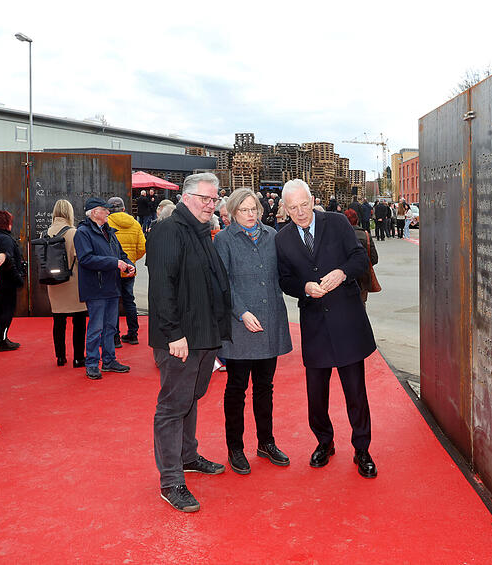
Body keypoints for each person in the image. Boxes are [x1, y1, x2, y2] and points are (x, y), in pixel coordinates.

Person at [275, 179, 378, 478]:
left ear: (312, 200)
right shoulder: (282, 240)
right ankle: (324, 442)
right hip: (315, 324)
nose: (300, 212)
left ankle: (362, 449)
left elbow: (360, 258)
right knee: (316, 395)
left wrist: (343, 272)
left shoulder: (336, 223)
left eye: (304, 205)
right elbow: (284, 279)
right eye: (293, 208)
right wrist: (304, 288)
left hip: (346, 320)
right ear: (285, 208)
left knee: (355, 392)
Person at [147, 172, 231, 512]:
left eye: (214, 200)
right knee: (172, 407)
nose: (210, 205)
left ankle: (187, 456)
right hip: (180, 339)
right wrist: (173, 335)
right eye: (205, 199)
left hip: (203, 337)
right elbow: (161, 289)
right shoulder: (169, 230)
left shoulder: (200, 232)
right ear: (186, 197)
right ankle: (171, 481)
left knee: (190, 399)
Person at [212, 188, 293, 475]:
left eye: (253, 209)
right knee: (236, 389)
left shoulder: (272, 235)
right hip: (239, 325)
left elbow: (285, 273)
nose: (250, 215)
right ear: (232, 213)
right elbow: (223, 284)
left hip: (269, 322)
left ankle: (265, 442)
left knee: (265, 388)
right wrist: (242, 312)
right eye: (244, 210)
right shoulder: (223, 240)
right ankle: (235, 447)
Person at [74, 197, 135, 380]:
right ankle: (92, 363)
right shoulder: (83, 233)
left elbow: (121, 254)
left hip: (111, 286)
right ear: (94, 213)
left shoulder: (110, 232)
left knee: (110, 327)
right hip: (96, 288)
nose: (109, 212)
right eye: (105, 210)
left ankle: (109, 360)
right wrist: (114, 263)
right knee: (96, 328)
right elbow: (85, 259)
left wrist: (129, 264)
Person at [46, 199, 88, 368]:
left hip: (54, 282)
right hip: (74, 282)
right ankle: (78, 358)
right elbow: (81, 258)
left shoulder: (46, 233)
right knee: (79, 322)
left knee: (58, 322)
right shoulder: (74, 233)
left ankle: (60, 357)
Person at [106, 196, 146, 347]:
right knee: (129, 301)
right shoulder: (135, 224)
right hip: (129, 269)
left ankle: (115, 337)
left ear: (108, 210)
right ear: (124, 209)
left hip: (112, 268)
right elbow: (142, 247)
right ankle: (133, 334)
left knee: (113, 302)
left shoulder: (106, 223)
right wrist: (132, 260)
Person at [0, 211, 25, 351]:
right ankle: (2, 340)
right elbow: (9, 262)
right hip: (7, 282)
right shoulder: (6, 239)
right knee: (7, 311)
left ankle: (2, 339)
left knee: (0, 310)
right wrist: (18, 279)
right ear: (8, 223)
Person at [343, 209, 378, 303]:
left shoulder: (339, 236)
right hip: (363, 277)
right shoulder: (366, 235)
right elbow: (374, 258)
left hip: (344, 278)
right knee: (361, 305)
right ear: (357, 220)